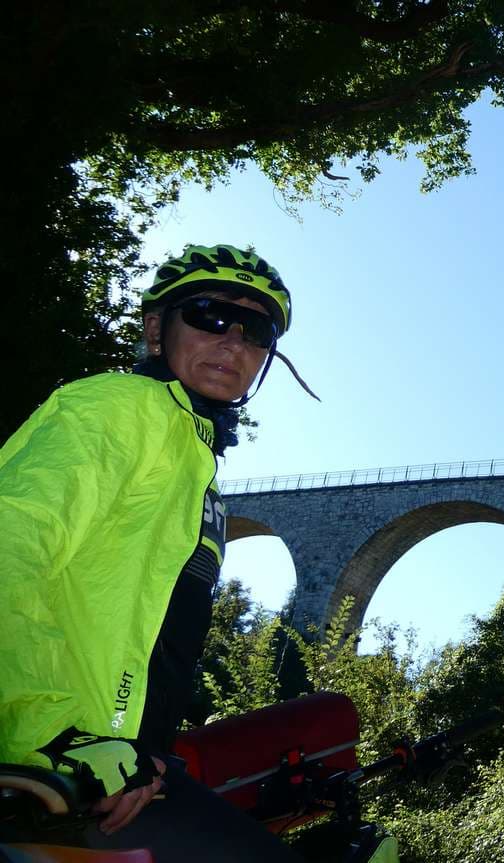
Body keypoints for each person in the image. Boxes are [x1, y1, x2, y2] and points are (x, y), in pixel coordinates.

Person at [0, 244, 316, 861]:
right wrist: (48, 732)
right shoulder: (117, 408)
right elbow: (10, 542)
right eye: (210, 316)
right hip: (56, 763)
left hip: (124, 773)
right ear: (155, 328)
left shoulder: (194, 462)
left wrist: (146, 754)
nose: (234, 343)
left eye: (257, 332)